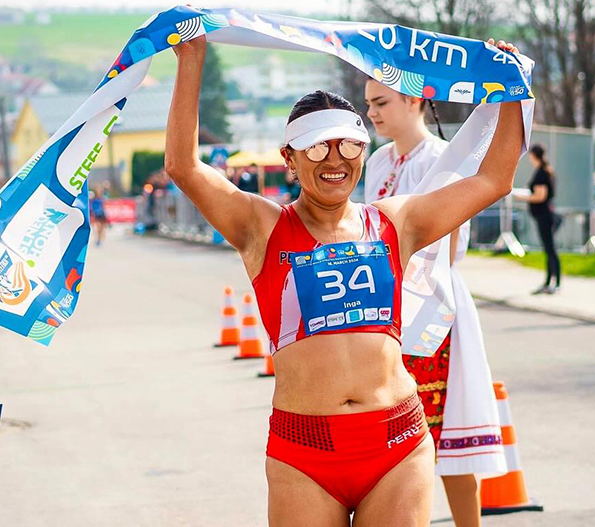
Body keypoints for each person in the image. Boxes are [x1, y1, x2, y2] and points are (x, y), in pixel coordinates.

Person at [165, 35, 523, 526]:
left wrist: (512, 87)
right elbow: (183, 166)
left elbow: (493, 180)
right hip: (303, 455)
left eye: (350, 144)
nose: (335, 159)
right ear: (290, 159)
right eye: (317, 147)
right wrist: (192, 57)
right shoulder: (261, 227)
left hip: (397, 444)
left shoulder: (396, 222)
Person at [364, 79, 507, 527]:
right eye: (368, 103)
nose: (373, 113)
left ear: (413, 101)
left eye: (381, 102)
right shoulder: (375, 161)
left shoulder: (443, 158)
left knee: (442, 429)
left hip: (432, 302)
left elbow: (447, 245)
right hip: (383, 304)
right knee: (391, 438)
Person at [515, 143, 560, 294]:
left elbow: (541, 196)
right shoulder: (545, 171)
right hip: (544, 215)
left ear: (534, 155)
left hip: (544, 216)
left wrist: (523, 197)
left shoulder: (542, 173)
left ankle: (555, 282)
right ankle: (549, 281)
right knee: (548, 249)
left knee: (550, 249)